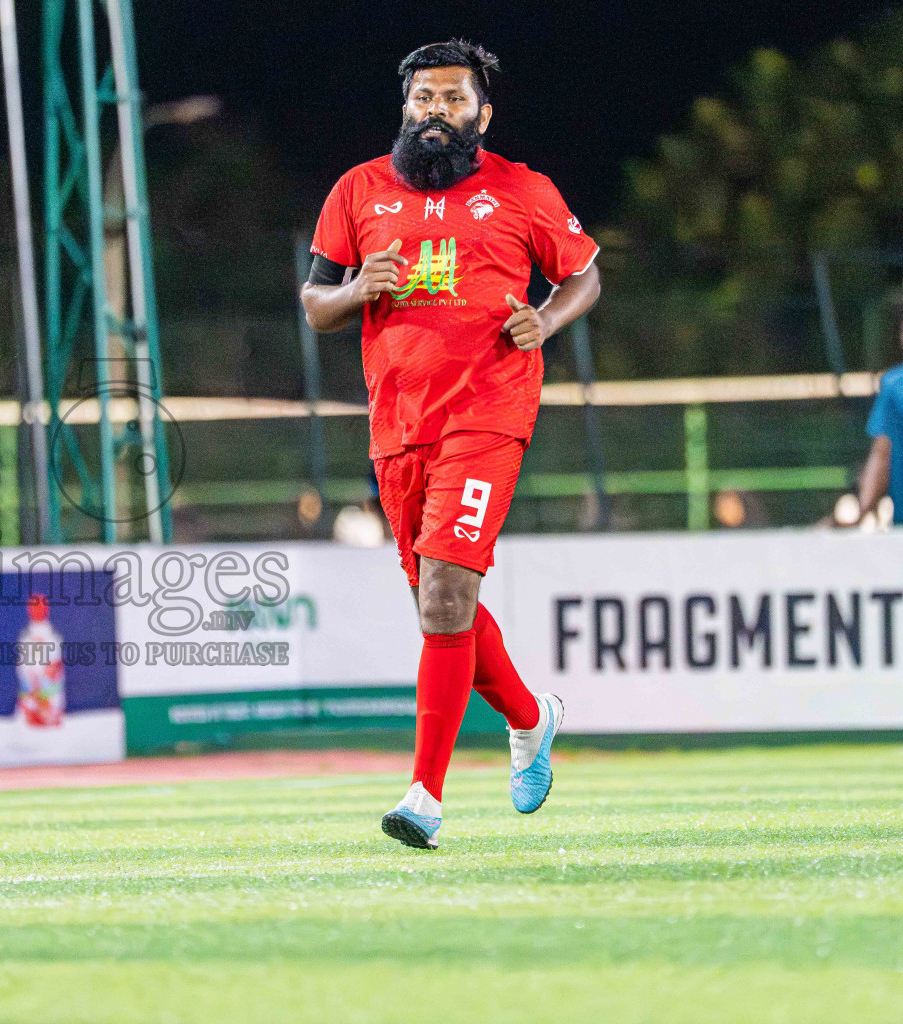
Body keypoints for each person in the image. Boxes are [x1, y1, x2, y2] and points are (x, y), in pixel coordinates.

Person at [300, 40, 601, 849]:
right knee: (442, 605)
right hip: (398, 424)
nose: (436, 111)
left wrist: (547, 318)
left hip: (490, 412)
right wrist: (357, 289)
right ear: (406, 107)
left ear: (482, 114)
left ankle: (424, 797)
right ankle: (531, 719)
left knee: (442, 599)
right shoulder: (358, 190)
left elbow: (583, 274)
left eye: (453, 99)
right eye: (424, 98)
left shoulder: (523, 189)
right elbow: (315, 303)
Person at [856, 315, 903, 527]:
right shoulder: (895, 385)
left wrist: (862, 512)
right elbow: (881, 455)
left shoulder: (895, 384)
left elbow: (881, 455)